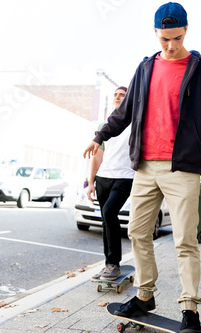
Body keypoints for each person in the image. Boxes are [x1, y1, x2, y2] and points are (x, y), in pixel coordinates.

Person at [83, 3, 201, 332]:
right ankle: (145, 296)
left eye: (176, 38)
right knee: (137, 232)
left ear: (186, 31)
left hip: (182, 169)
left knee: (185, 240)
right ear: (155, 33)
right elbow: (125, 112)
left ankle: (190, 311)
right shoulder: (145, 69)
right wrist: (100, 136)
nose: (170, 45)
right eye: (164, 39)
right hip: (144, 167)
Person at [88, 86, 134, 281]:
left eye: (122, 95)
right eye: (115, 94)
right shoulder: (104, 126)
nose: (117, 97)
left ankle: (114, 264)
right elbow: (97, 157)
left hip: (125, 176)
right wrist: (91, 183)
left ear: (128, 99)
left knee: (109, 212)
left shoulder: (134, 123)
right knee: (106, 220)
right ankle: (109, 264)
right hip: (103, 178)